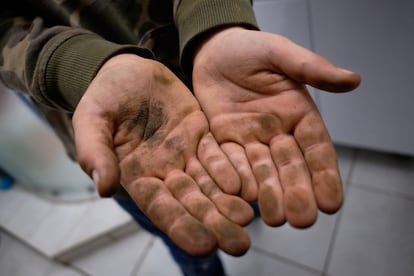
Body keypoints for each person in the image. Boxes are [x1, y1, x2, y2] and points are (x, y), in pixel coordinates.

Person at [0, 0, 361, 275]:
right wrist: (77, 67)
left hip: (226, 89)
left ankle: (248, 209)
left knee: (248, 188)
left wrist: (213, 19)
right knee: (191, 238)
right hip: (127, 141)